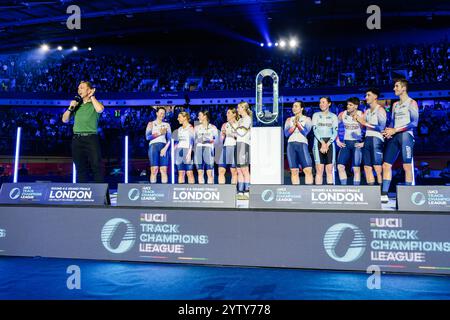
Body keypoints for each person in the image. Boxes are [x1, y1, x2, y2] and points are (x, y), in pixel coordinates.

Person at [381, 79, 419, 203]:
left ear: (403, 88)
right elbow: (392, 122)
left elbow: (414, 123)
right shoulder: (395, 105)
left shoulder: (412, 103)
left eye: (397, 86)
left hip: (406, 136)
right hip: (395, 136)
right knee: (386, 165)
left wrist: (395, 129)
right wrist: (389, 131)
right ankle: (384, 194)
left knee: (406, 166)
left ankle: (408, 196)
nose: (394, 89)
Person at [62, 81, 104, 183]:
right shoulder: (76, 105)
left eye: (82, 87)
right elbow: (64, 120)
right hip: (77, 139)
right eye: (78, 88)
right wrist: (70, 107)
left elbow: (100, 110)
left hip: (91, 138)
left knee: (96, 166)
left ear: (89, 90)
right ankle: (83, 194)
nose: (79, 90)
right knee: (80, 168)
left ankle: (101, 195)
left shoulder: (95, 104)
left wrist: (92, 96)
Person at [354, 88, 386, 186]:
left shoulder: (380, 109)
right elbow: (363, 125)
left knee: (377, 167)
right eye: (366, 95)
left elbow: (381, 127)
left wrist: (364, 122)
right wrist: (358, 120)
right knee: (367, 167)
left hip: (377, 139)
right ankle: (372, 191)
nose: (366, 97)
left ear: (375, 97)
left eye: (368, 95)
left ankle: (382, 192)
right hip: (367, 138)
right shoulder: (367, 111)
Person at [284, 101, 313, 185]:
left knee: (307, 170)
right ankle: (296, 193)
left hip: (302, 144)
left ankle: (309, 193)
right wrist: (293, 126)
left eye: (296, 106)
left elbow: (305, 132)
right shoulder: (289, 119)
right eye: (293, 106)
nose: (294, 108)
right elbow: (286, 134)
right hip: (291, 145)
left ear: (302, 108)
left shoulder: (307, 119)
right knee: (294, 171)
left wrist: (298, 124)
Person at [336, 97, 364, 185]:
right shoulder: (342, 114)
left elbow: (368, 129)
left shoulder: (361, 114)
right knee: (340, 166)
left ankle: (356, 189)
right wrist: (337, 140)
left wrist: (364, 142)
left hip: (356, 144)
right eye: (347, 104)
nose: (348, 106)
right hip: (346, 143)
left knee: (356, 168)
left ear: (356, 106)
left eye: (350, 105)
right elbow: (334, 127)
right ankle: (344, 188)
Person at [312, 97, 338, 185]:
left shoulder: (333, 116)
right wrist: (323, 143)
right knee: (319, 170)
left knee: (330, 170)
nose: (321, 104)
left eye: (323, 102)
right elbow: (315, 130)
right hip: (318, 142)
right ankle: (317, 193)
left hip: (330, 143)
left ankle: (330, 192)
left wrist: (328, 143)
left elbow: (335, 132)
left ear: (329, 104)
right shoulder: (316, 115)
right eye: (320, 102)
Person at [145, 107, 171, 183]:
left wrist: (165, 148)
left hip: (164, 147)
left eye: (164, 113)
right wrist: (159, 133)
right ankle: (153, 191)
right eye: (161, 113)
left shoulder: (167, 125)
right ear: (157, 113)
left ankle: (165, 190)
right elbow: (147, 137)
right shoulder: (151, 123)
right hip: (153, 147)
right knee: (154, 170)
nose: (162, 115)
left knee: (164, 170)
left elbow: (169, 139)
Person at [233, 102, 252, 199]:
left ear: (244, 108)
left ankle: (247, 191)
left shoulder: (248, 119)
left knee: (245, 169)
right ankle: (240, 191)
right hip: (238, 144)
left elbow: (241, 133)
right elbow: (235, 134)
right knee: (239, 170)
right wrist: (236, 129)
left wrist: (235, 128)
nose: (237, 110)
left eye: (239, 108)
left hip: (244, 144)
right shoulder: (240, 120)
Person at [194, 110, 218, 184]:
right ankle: (202, 189)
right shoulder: (197, 128)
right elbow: (194, 141)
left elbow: (216, 141)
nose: (198, 117)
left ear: (205, 116)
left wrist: (208, 140)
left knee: (209, 172)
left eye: (200, 115)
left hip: (208, 149)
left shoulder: (213, 127)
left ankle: (210, 190)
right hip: (198, 149)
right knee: (200, 172)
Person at [218, 107, 239, 184]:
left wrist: (229, 133)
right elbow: (221, 138)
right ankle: (222, 189)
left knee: (234, 171)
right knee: (221, 169)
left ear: (234, 114)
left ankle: (233, 190)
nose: (227, 114)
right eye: (227, 113)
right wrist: (221, 136)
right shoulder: (224, 125)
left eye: (229, 113)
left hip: (235, 147)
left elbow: (240, 136)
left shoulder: (239, 124)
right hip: (226, 147)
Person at [174, 111, 195, 184]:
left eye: (179, 117)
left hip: (187, 151)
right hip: (179, 151)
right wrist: (173, 150)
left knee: (189, 173)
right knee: (181, 172)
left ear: (185, 118)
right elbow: (177, 141)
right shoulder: (179, 129)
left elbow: (192, 141)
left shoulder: (191, 127)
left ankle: (191, 191)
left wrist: (189, 153)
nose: (177, 119)